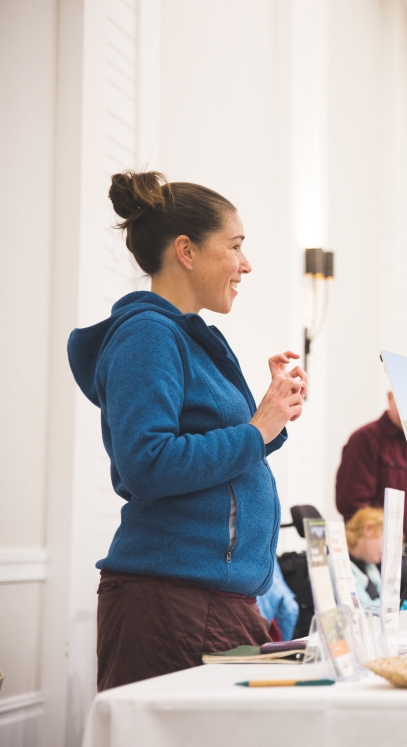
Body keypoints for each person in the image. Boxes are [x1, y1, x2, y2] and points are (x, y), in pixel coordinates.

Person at [68, 171, 307, 691]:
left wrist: (273, 413)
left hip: (212, 599)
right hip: (171, 602)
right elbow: (148, 463)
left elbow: (243, 443)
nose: (247, 264)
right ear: (187, 250)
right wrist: (257, 429)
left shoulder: (185, 338)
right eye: (236, 246)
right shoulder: (147, 337)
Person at [336, 392, 407, 605]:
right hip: (383, 563)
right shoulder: (366, 439)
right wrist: (382, 548)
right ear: (390, 397)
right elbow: (353, 505)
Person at [346, 507, 384, 613]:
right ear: (369, 529)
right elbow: (364, 608)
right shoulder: (339, 564)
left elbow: (386, 599)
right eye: (385, 540)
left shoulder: (369, 566)